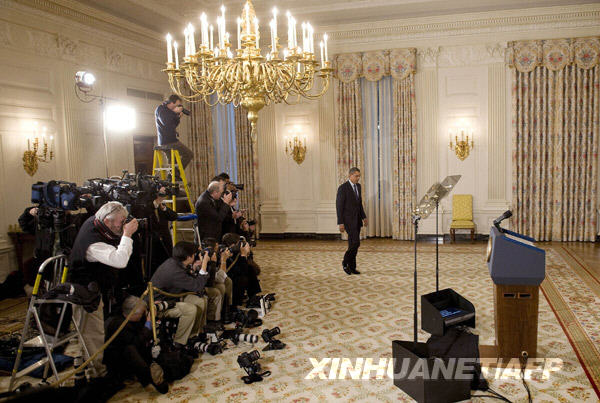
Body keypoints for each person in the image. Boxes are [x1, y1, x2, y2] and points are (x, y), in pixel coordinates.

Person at [68, 201, 139, 375]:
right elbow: (120, 260)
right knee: (93, 334)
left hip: (95, 287)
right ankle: (97, 373)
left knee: (91, 332)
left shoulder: (96, 221)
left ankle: (87, 363)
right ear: (107, 221)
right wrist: (127, 235)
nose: (123, 225)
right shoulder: (93, 243)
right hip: (85, 294)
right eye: (121, 221)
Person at [150, 241, 212, 347]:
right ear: (188, 257)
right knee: (191, 309)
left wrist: (196, 266)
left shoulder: (175, 262)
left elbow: (193, 281)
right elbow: (197, 286)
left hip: (173, 297)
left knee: (200, 301)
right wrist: (204, 264)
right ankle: (179, 343)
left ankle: (193, 336)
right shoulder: (174, 271)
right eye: (194, 254)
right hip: (160, 306)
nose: (195, 256)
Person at [103, 296, 169, 394]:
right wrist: (148, 323)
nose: (143, 315)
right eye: (142, 313)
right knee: (130, 349)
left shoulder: (128, 315)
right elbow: (137, 342)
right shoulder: (118, 325)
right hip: (120, 360)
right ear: (133, 313)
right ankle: (150, 378)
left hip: (133, 352)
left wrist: (152, 306)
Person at [130, 187, 178, 277]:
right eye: (160, 194)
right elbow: (143, 215)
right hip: (152, 242)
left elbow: (174, 216)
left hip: (165, 240)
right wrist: (156, 203)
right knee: (154, 267)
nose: (162, 196)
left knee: (167, 263)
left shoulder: (161, 206)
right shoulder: (145, 206)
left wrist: (164, 208)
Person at [336, 167, 367, 275]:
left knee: (352, 244)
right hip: (348, 221)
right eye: (356, 176)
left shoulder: (358, 186)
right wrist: (340, 222)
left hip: (357, 220)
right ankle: (345, 262)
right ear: (350, 175)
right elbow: (339, 206)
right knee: (356, 243)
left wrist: (364, 217)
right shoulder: (343, 188)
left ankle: (352, 267)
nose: (358, 178)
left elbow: (359, 204)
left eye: (359, 176)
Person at [155, 94, 194, 171]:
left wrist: (178, 116)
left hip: (169, 140)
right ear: (172, 103)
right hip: (168, 141)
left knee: (173, 162)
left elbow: (173, 126)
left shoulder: (169, 111)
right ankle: (177, 173)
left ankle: (173, 175)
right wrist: (174, 113)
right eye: (177, 104)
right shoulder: (161, 109)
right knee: (189, 154)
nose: (178, 107)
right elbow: (166, 123)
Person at [221, 233, 260, 307]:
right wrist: (243, 256)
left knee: (250, 269)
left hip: (233, 274)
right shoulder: (224, 253)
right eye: (238, 243)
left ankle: (252, 297)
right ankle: (235, 304)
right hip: (228, 278)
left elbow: (256, 270)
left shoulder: (234, 252)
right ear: (232, 245)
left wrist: (248, 254)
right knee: (242, 278)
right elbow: (241, 270)